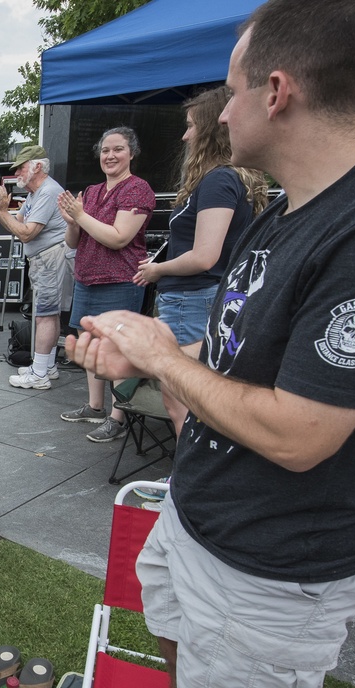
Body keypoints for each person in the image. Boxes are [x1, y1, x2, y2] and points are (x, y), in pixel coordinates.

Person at [69, 1, 355, 688]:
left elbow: (300, 433)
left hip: (272, 569)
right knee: (184, 669)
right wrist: (151, 353)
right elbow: (235, 353)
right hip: (199, 519)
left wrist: (164, 359)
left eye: (233, 90)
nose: (220, 115)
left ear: (278, 92)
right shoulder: (289, 209)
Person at [133, 86, 267, 438]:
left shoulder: (218, 180)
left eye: (192, 126)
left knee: (182, 395)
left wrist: (156, 270)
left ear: (210, 130)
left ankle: (183, 485)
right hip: (200, 297)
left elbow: (205, 256)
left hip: (192, 299)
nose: (185, 135)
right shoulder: (232, 178)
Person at [57, 127, 155, 443]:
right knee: (90, 344)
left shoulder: (138, 190)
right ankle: (95, 406)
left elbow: (119, 237)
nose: (110, 156)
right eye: (105, 150)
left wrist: (80, 216)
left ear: (132, 153)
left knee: (117, 349)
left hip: (120, 281)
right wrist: (73, 222)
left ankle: (118, 415)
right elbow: (73, 241)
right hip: (87, 278)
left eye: (118, 149)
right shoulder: (93, 190)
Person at [0, 145, 69, 391]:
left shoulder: (47, 192)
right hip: (44, 260)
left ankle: (39, 373)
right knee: (48, 314)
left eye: (21, 167)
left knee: (46, 315)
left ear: (38, 166)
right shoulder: (35, 195)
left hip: (50, 260)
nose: (17, 173)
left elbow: (25, 234)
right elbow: (17, 223)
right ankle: (46, 366)